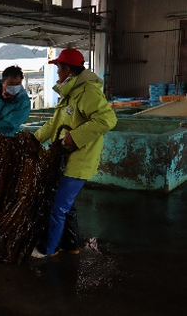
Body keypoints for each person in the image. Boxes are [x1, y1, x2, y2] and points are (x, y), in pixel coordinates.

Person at [31, 48, 117, 258]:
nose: (57, 72)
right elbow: (55, 122)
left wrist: (74, 137)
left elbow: (107, 120)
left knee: (58, 207)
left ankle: (48, 249)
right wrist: (34, 139)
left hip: (78, 160)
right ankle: (70, 244)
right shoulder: (70, 92)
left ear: (67, 69)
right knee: (66, 207)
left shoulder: (87, 91)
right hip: (67, 159)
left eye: (59, 67)